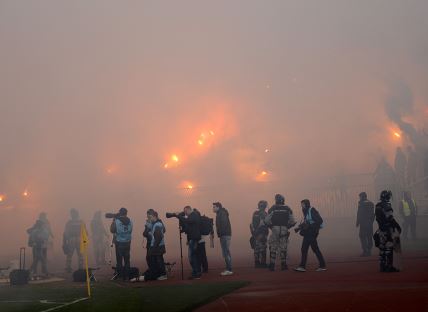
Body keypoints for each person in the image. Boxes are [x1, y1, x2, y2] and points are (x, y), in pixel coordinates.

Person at [294, 199, 326, 272]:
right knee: (307, 249)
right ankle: (303, 266)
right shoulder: (306, 211)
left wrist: (309, 226)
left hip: (311, 233)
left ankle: (322, 265)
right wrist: (299, 228)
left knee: (311, 249)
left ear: (306, 204)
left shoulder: (312, 210)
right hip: (308, 233)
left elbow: (319, 220)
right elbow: (307, 223)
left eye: (302, 205)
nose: (301, 206)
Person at [264, 195, 295, 271]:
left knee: (273, 247)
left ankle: (272, 265)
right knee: (283, 247)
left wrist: (271, 227)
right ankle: (283, 265)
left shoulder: (272, 208)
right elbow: (292, 221)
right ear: (283, 200)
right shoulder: (287, 208)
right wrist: (288, 227)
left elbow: (266, 220)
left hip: (275, 229)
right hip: (284, 229)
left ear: (276, 200)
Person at [374, 190, 401, 272]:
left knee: (382, 249)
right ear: (387, 197)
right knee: (389, 248)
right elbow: (390, 218)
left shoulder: (378, 205)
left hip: (380, 230)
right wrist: (397, 226)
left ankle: (382, 266)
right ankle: (389, 266)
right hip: (387, 230)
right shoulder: (386, 205)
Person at [178, 206, 202, 279]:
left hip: (194, 238)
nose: (185, 213)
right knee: (193, 256)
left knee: (192, 256)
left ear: (189, 210)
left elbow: (188, 221)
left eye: (185, 212)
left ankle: (197, 273)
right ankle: (196, 271)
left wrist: (178, 216)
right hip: (192, 238)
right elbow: (189, 228)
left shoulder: (194, 215)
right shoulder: (192, 216)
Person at [142, 210, 167, 281]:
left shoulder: (158, 224)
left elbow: (159, 236)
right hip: (155, 244)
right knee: (155, 259)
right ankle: (156, 273)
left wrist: (154, 246)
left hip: (157, 245)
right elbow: (145, 233)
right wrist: (147, 227)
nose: (148, 218)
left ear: (152, 216)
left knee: (159, 260)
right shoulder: (154, 223)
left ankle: (163, 274)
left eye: (149, 216)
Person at [110, 207, 133, 280]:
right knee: (127, 260)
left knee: (119, 260)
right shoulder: (130, 221)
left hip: (119, 242)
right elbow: (131, 230)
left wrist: (113, 221)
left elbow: (112, 230)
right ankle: (127, 275)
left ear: (120, 213)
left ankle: (120, 276)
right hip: (127, 242)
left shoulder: (117, 221)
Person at [213, 202, 233, 276]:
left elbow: (223, 224)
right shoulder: (220, 213)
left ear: (218, 207)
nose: (213, 208)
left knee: (226, 252)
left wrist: (220, 233)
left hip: (224, 235)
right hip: (224, 234)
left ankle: (229, 269)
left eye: (214, 207)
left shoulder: (222, 213)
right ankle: (229, 268)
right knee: (226, 252)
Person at [63, 209, 83, 273]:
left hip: (72, 240)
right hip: (79, 239)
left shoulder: (69, 222)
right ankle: (81, 267)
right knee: (80, 255)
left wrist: (65, 241)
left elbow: (66, 233)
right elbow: (85, 232)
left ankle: (68, 268)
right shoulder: (81, 222)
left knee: (69, 254)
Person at [250, 200, 269, 268]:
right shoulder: (265, 214)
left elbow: (251, 224)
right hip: (262, 233)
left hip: (255, 233)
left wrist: (253, 232)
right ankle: (263, 263)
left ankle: (257, 263)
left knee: (256, 248)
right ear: (264, 206)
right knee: (263, 248)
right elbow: (266, 224)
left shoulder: (255, 213)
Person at [356, 192, 375, 256]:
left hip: (363, 223)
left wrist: (358, 222)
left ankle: (365, 251)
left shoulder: (361, 204)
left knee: (362, 236)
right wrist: (371, 222)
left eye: (360, 197)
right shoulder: (371, 203)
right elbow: (373, 214)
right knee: (369, 236)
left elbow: (359, 214)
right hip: (369, 223)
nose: (360, 198)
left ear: (363, 197)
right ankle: (369, 250)